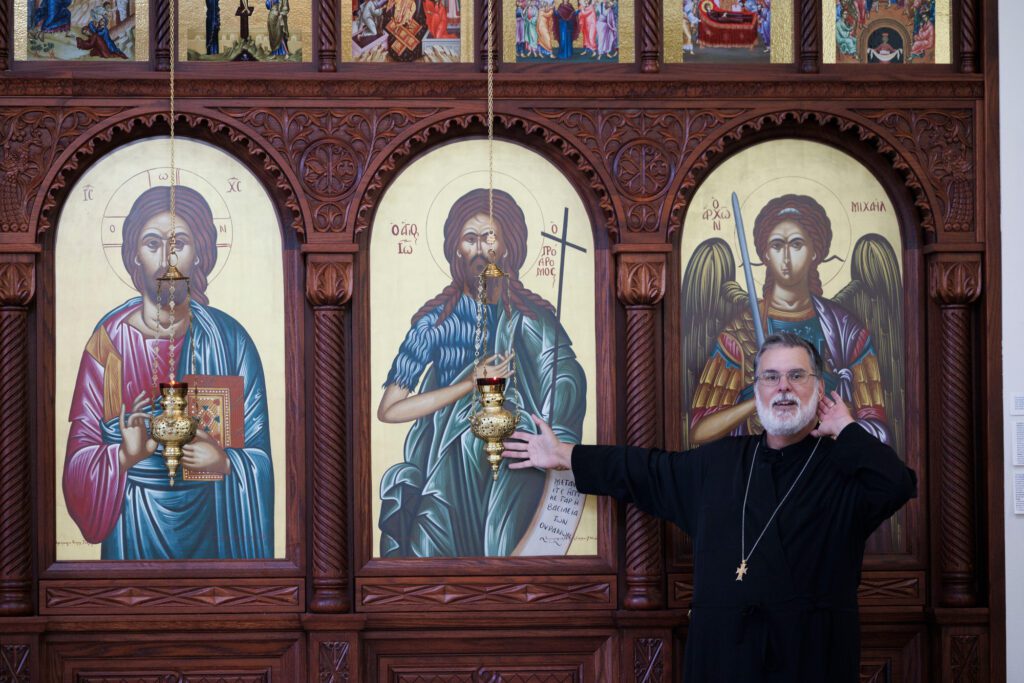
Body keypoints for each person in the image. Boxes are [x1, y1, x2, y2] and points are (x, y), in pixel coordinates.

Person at [504, 332, 916, 682]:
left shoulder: (843, 467)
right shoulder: (719, 463)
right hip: (724, 658)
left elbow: (897, 484)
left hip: (810, 659)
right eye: (770, 377)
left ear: (820, 388)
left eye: (796, 376)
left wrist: (845, 428)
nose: (783, 387)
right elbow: (644, 470)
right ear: (756, 391)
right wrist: (565, 456)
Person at [63, 185, 274, 560]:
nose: (167, 259)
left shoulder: (231, 341)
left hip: (215, 525)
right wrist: (122, 457)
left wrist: (225, 463)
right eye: (152, 243)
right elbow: (78, 463)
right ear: (133, 258)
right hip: (133, 524)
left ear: (201, 256)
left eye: (180, 243)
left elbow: (259, 456)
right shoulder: (109, 346)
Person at [377, 188, 587, 557]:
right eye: (469, 239)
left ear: (507, 246)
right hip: (447, 468)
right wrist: (467, 384)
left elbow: (565, 378)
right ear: (456, 247)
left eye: (490, 238)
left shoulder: (532, 318)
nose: (479, 250)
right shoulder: (435, 323)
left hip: (517, 462)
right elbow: (390, 409)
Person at [689, 194, 892, 446]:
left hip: (828, 467)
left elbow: (878, 430)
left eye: (796, 245)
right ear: (764, 254)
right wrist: (763, 397)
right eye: (777, 245)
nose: (786, 258)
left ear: (815, 252)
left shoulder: (845, 332)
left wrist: (842, 420)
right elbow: (700, 431)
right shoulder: (740, 333)